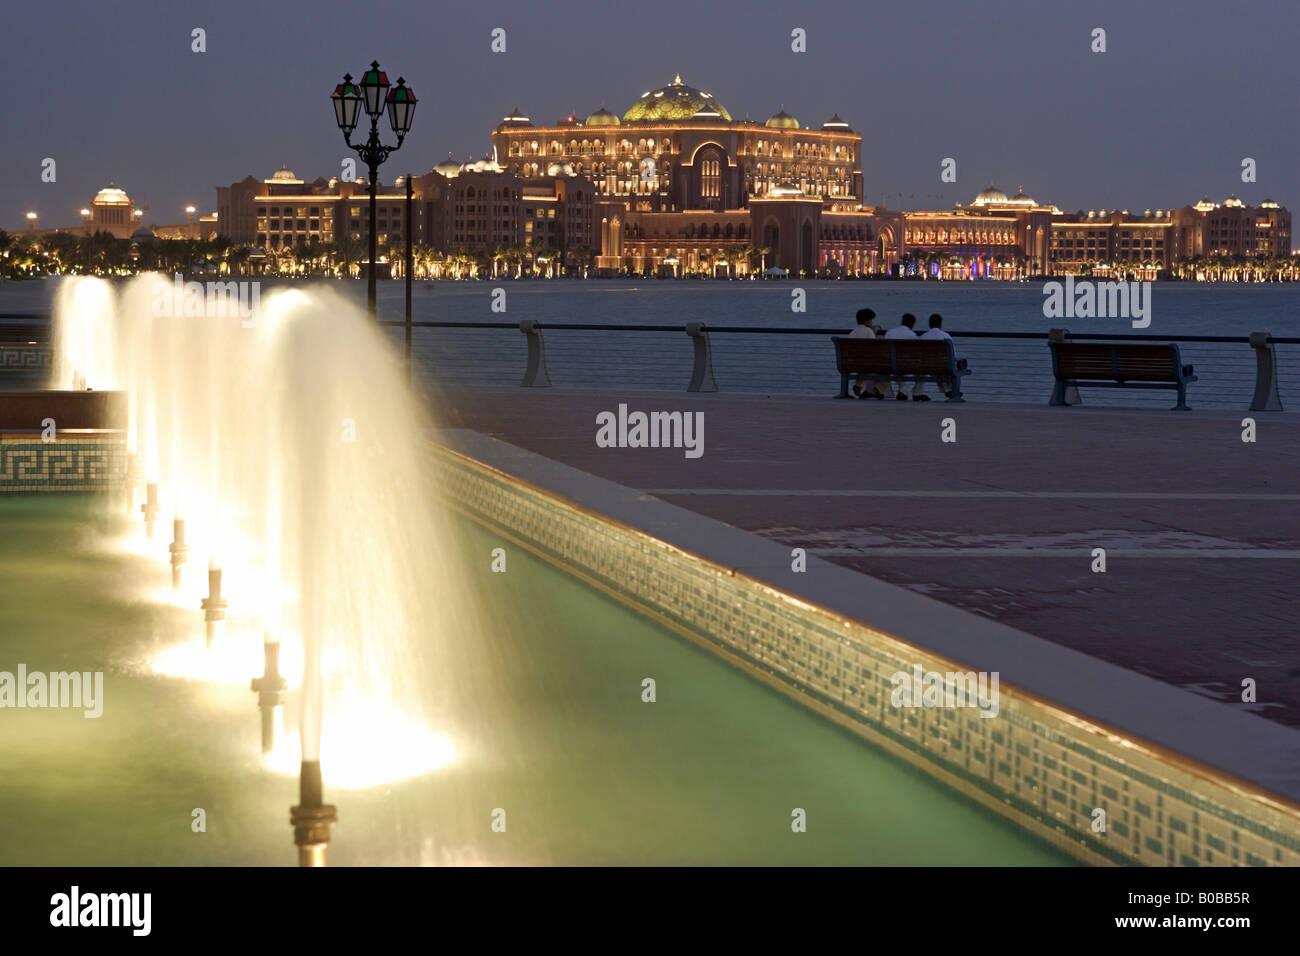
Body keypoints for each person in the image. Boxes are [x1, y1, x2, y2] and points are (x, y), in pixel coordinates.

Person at [848, 309, 885, 399]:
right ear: (867, 321)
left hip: (851, 364)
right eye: (871, 320)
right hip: (865, 363)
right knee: (885, 368)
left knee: (865, 366)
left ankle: (859, 385)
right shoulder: (868, 331)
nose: (872, 322)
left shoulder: (852, 333)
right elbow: (874, 348)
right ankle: (879, 388)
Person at [884, 314, 921, 400]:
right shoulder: (912, 335)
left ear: (902, 322)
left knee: (901, 368)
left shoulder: (890, 332)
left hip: (890, 364)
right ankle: (911, 392)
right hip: (905, 365)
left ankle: (903, 392)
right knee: (914, 369)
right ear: (912, 324)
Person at [920, 313, 953, 398]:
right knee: (945, 367)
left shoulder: (923, 336)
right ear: (940, 324)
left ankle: (948, 391)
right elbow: (951, 354)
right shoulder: (946, 336)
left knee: (937, 367)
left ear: (929, 324)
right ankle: (950, 390)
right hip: (942, 366)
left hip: (926, 366)